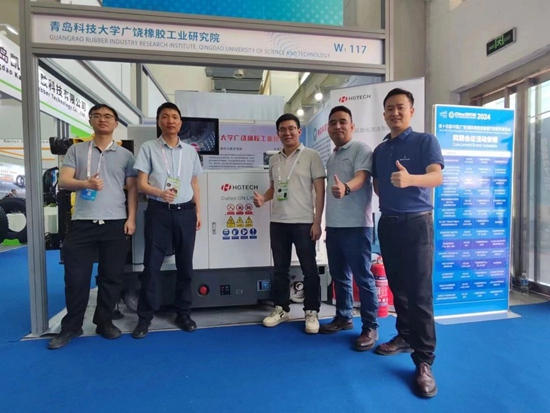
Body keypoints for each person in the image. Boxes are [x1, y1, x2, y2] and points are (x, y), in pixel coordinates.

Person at [372, 88, 444, 398]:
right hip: (388, 224)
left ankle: (424, 361)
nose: (395, 113)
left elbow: (437, 177)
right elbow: (378, 186)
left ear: (411, 111)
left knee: (420, 294)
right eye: (390, 108)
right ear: (384, 113)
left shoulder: (425, 141)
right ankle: (404, 336)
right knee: (398, 287)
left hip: (417, 224)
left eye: (400, 107)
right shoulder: (380, 150)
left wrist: (411, 179)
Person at [48, 104, 138, 350]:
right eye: (97, 116)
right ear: (90, 121)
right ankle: (71, 327)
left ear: (116, 123)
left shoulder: (126, 156)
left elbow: (132, 190)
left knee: (112, 277)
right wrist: (85, 183)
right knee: (76, 278)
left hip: (115, 223)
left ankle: (104, 321)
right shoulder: (76, 150)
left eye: (108, 116)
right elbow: (64, 181)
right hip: (82, 224)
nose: (102, 119)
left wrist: (131, 219)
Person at [132, 102, 202, 339]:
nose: (170, 120)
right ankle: (144, 318)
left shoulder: (190, 151)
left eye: (174, 117)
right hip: (159, 211)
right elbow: (141, 184)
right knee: (152, 265)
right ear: (159, 121)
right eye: (165, 116)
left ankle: (183, 313)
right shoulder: (149, 148)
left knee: (185, 265)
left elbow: (194, 184)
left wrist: (198, 211)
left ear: (180, 123)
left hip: (186, 212)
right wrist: (160, 193)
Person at [253, 114, 326, 334]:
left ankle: (311, 311)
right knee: (280, 269)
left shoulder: (312, 156)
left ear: (299, 131)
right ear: (278, 133)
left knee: (309, 269)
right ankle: (281, 308)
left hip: (304, 223)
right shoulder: (274, 160)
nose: (287, 133)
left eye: (291, 128)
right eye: (283, 129)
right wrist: (263, 199)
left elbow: (320, 191)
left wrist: (317, 221)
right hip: (278, 222)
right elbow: (274, 188)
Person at [319, 106, 379, 352]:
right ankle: (344, 317)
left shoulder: (361, 149)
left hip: (357, 227)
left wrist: (345, 187)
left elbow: (362, 178)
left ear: (352, 126)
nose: (337, 126)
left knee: (363, 279)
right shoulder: (332, 156)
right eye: (333, 123)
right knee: (340, 276)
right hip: (334, 227)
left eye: (342, 121)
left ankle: (370, 326)